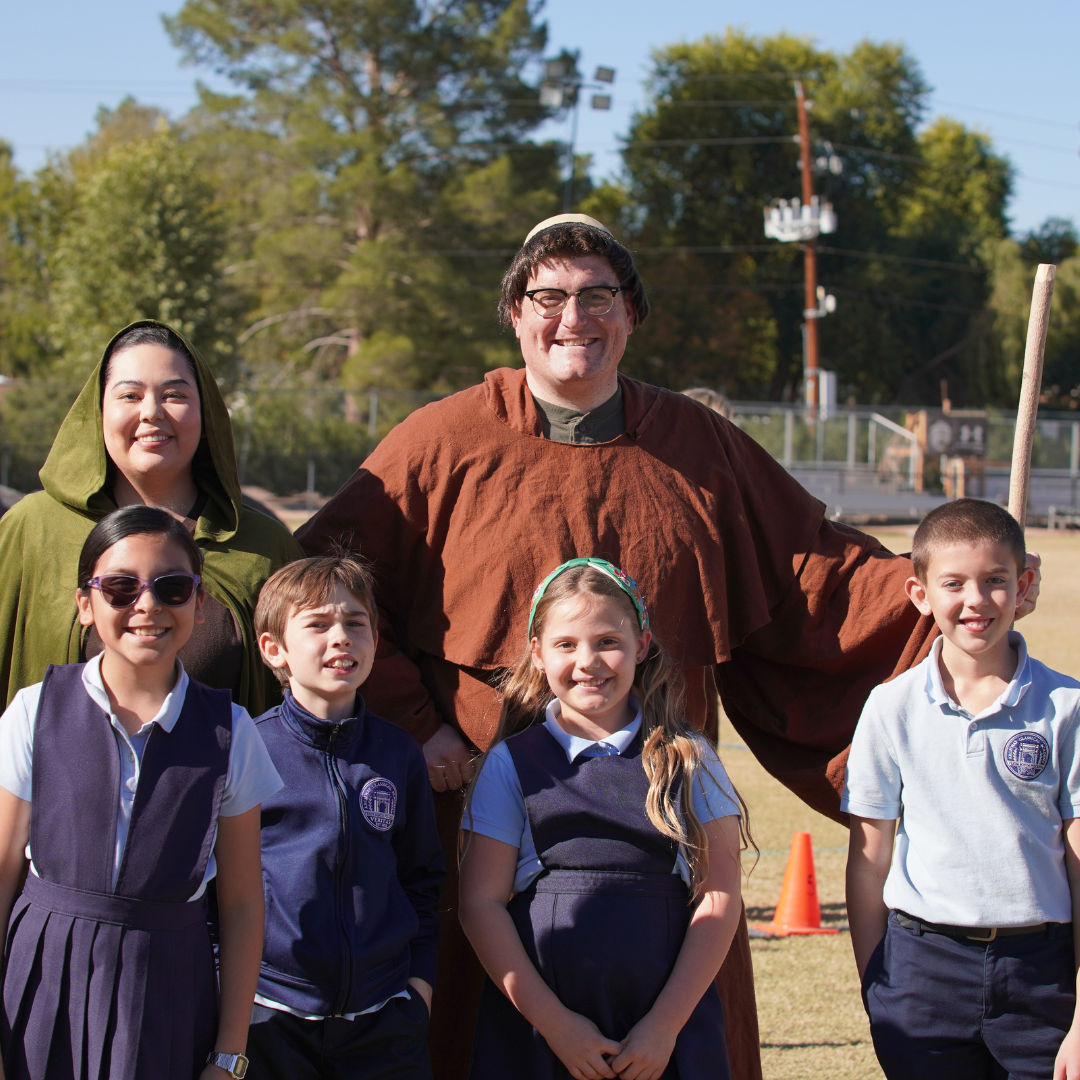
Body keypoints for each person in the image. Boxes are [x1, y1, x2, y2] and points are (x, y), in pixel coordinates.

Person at [296, 213, 1042, 1080]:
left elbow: (816, 573)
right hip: (487, 803)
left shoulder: (698, 444)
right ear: (514, 314)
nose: (573, 316)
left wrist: (955, 594)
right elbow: (328, 576)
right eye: (550, 298)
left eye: (598, 297)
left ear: (632, 315)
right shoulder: (442, 440)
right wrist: (417, 721)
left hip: (666, 803)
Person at [0, 505, 281, 1080]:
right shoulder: (34, 711)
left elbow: (243, 904)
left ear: (200, 604)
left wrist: (229, 1056)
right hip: (39, 982)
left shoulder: (233, 734)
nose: (147, 605)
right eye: (121, 588)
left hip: (167, 993)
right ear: (86, 605)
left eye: (172, 587)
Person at [460, 560, 746, 1080]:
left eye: (607, 641)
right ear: (537, 653)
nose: (588, 661)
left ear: (642, 643)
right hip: (541, 1031)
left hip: (662, 1028)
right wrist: (555, 1025)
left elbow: (720, 897)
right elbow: (480, 903)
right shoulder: (511, 764)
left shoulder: (688, 758)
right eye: (566, 644)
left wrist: (665, 1026)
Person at [844, 498, 1079, 1080]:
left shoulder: (1067, 707)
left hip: (1042, 971)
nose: (975, 601)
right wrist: (876, 982)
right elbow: (869, 860)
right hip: (922, 971)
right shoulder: (890, 706)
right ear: (921, 595)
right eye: (954, 583)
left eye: (995, 581)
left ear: (1024, 586)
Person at [0, 320, 303, 714]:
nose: (151, 412)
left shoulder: (263, 546)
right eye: (129, 395)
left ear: (206, 412)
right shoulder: (33, 530)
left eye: (174, 394)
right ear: (99, 412)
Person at [248, 555, 445, 1080]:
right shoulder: (247, 751)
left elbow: (422, 880)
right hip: (270, 1018)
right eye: (317, 624)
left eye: (355, 623)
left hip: (384, 1021)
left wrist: (418, 989)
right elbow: (216, 887)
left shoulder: (399, 754)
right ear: (275, 650)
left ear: (376, 642)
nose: (341, 637)